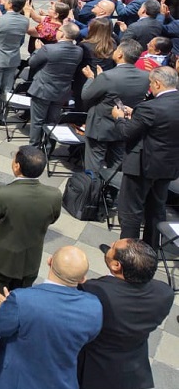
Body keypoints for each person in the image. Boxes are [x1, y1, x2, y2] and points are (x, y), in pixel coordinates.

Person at [0, 246, 103, 389]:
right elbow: (89, 337)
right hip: (60, 386)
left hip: (15, 384)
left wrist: (6, 309)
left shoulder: (22, 299)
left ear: (49, 261)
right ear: (83, 278)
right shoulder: (94, 306)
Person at [78, 239, 174, 389]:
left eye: (113, 247)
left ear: (117, 265)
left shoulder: (94, 291)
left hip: (96, 369)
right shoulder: (165, 293)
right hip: (132, 371)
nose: (110, 245)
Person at [0, 146, 62, 312]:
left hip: (0, 260)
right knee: (20, 303)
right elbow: (53, 218)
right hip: (30, 260)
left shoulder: (3, 194)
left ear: (17, 166)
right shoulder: (54, 195)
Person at [112, 65, 179, 246]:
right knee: (156, 210)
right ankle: (151, 251)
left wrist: (118, 117)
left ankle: (128, 254)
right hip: (168, 166)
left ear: (157, 83)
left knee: (130, 212)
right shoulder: (158, 107)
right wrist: (137, 114)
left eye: (151, 83)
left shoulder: (150, 107)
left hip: (142, 165)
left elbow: (126, 133)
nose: (150, 87)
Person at [81, 39, 151, 172]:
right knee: (117, 164)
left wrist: (91, 78)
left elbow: (86, 95)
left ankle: (93, 191)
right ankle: (111, 191)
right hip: (124, 125)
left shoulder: (108, 76)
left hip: (100, 126)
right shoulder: (146, 76)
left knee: (94, 164)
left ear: (120, 54)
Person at [27, 22, 83, 145]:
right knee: (52, 121)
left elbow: (32, 62)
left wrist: (37, 50)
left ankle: (34, 147)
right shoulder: (79, 51)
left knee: (37, 121)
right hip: (62, 91)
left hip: (43, 89)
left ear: (62, 34)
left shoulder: (49, 49)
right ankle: (48, 146)